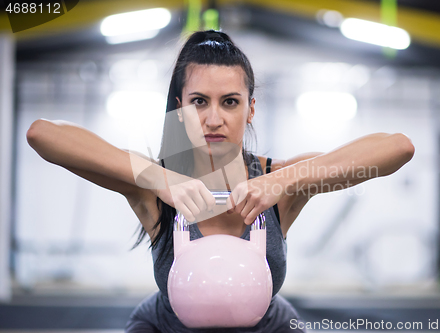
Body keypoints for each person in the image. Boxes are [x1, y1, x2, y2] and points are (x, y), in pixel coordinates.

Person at [26, 29, 415, 332]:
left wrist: (283, 181)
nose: (214, 119)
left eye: (230, 101)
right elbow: (43, 135)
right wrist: (159, 177)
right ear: (180, 107)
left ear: (250, 109)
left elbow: (397, 147)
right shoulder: (153, 186)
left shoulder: (278, 180)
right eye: (199, 101)